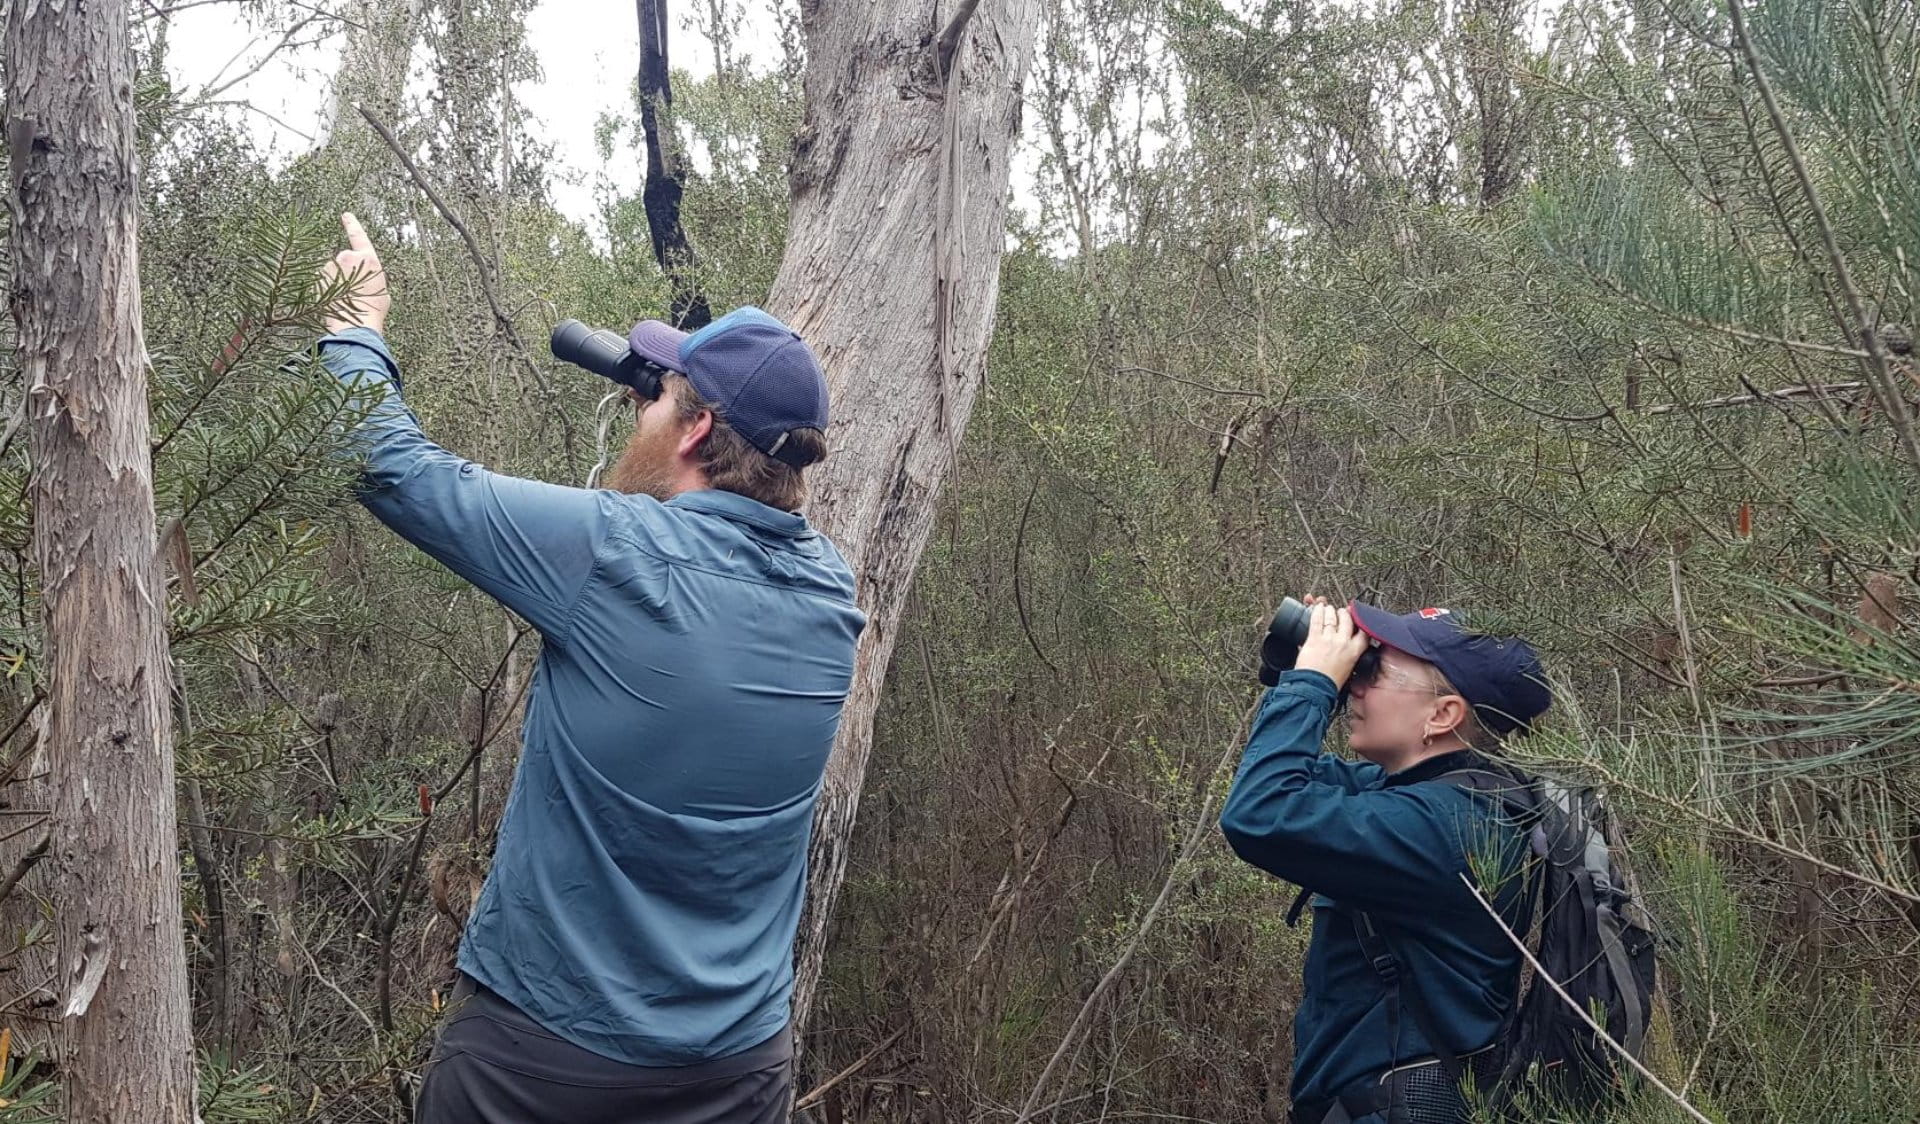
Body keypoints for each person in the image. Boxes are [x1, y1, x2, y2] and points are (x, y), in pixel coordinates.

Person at [313, 214, 866, 1122]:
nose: (639, 413)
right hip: (738, 1074)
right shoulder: (831, 600)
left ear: (695, 434)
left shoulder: (616, 558)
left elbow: (387, 463)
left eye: (654, 400)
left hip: (544, 1064)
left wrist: (355, 324)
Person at [1220, 598, 1552, 1124]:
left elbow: (1261, 811)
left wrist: (1314, 684)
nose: (1357, 683)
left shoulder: (1442, 828)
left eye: (1377, 670)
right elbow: (1284, 775)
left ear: (1443, 715)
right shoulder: (1449, 796)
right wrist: (1307, 675)